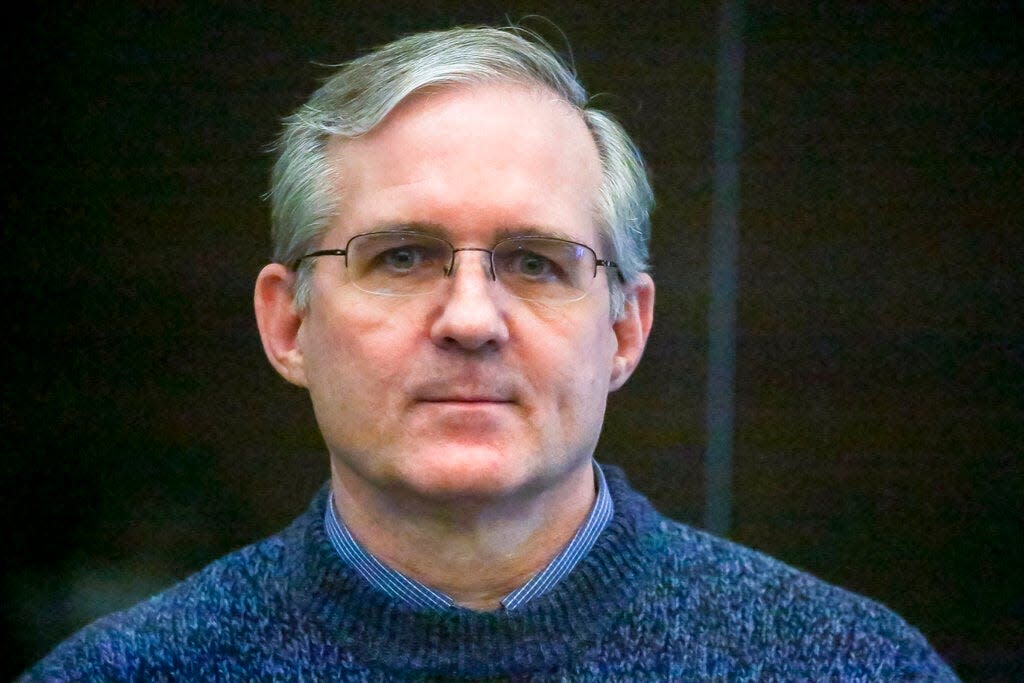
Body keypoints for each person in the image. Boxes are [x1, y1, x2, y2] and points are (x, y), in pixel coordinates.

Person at [22, 25, 959, 681]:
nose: (472, 317)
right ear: (290, 324)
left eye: (535, 262)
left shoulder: (844, 663)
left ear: (626, 329)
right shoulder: (126, 670)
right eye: (400, 256)